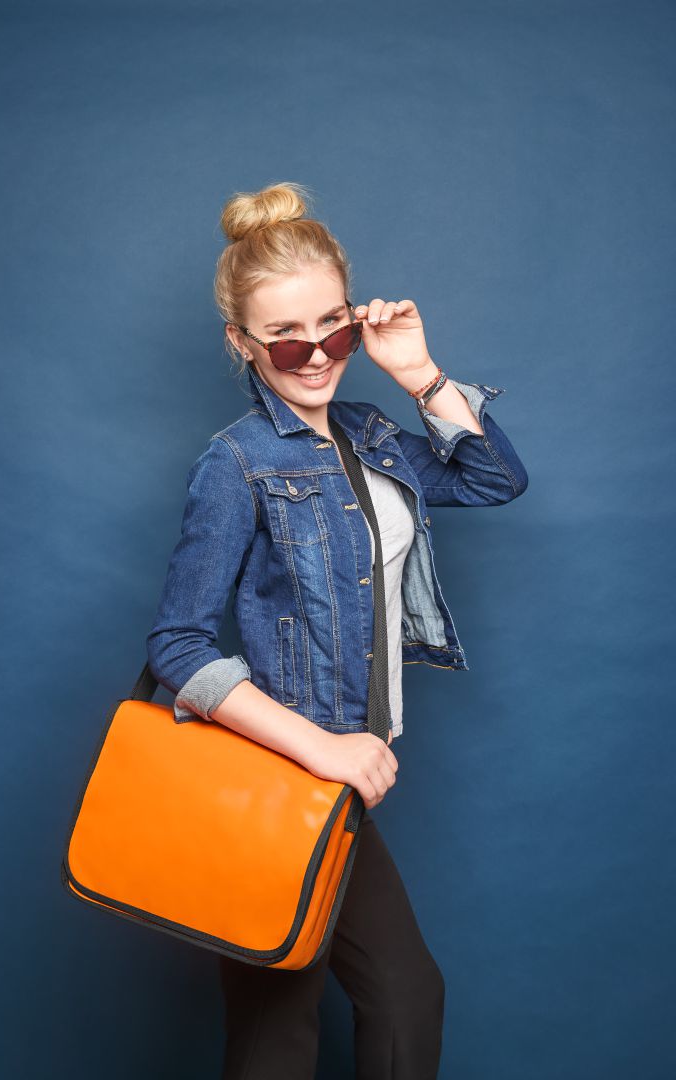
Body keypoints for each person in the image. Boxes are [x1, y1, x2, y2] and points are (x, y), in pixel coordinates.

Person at [146, 181, 528, 1079]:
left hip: (338, 782)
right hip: (283, 774)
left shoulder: (370, 434)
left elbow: (492, 480)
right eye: (285, 336)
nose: (315, 355)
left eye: (334, 328)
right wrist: (323, 749)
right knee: (284, 1024)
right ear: (241, 342)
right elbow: (178, 647)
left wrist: (418, 373)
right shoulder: (237, 461)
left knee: (389, 1000)